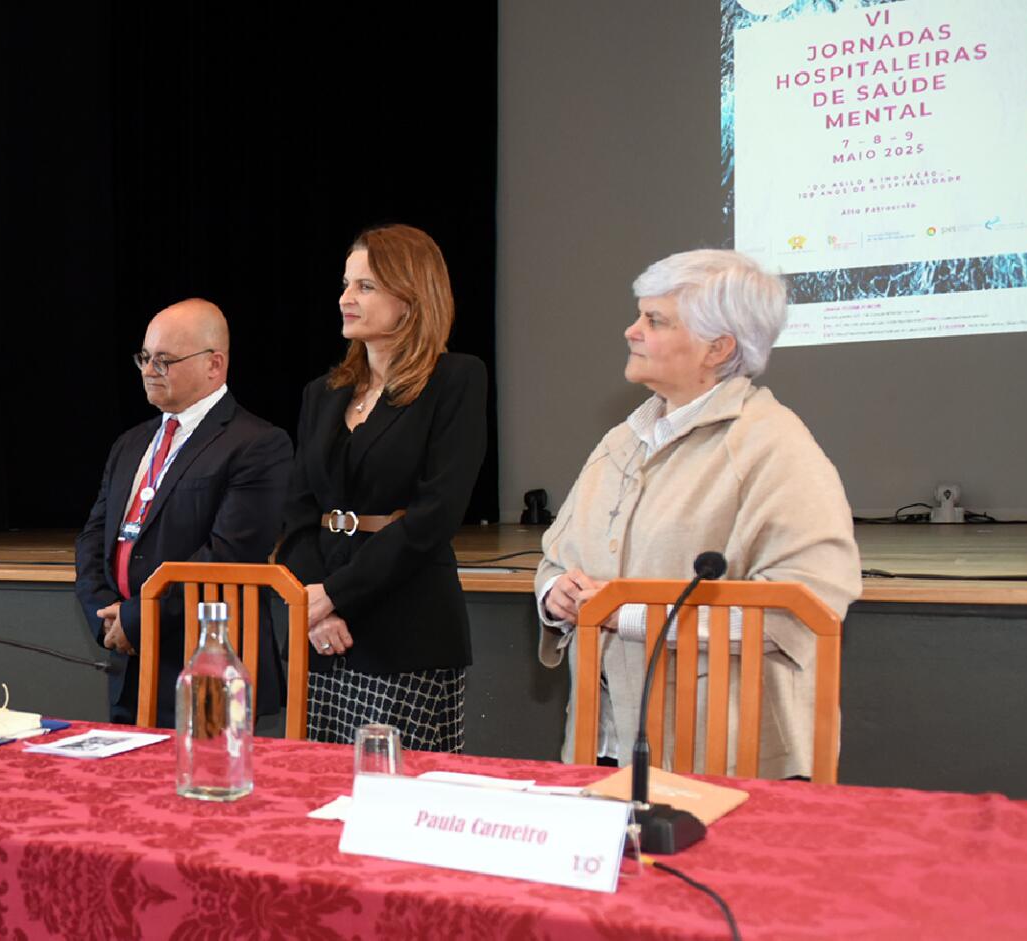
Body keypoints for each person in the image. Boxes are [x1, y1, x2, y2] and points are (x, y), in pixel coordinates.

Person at [535, 249, 861, 779]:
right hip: (605, 745)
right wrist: (556, 596)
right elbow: (555, 559)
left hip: (726, 760)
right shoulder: (622, 440)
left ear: (719, 348)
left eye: (654, 320)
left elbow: (810, 604)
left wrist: (627, 615)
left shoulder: (773, 444)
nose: (630, 330)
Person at [278, 223, 486, 752]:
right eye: (346, 284)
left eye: (366, 286)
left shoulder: (456, 379)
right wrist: (313, 602)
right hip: (323, 636)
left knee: (402, 812)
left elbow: (435, 515)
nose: (346, 298)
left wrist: (334, 595)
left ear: (412, 299)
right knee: (316, 803)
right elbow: (298, 511)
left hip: (408, 631)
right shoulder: (322, 394)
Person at [75, 298, 292, 727]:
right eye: (145, 357)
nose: (148, 370)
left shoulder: (258, 444)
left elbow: (227, 558)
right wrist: (105, 616)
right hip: (128, 663)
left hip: (207, 669)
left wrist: (137, 617)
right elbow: (93, 537)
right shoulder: (130, 444)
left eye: (165, 360)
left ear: (214, 365)